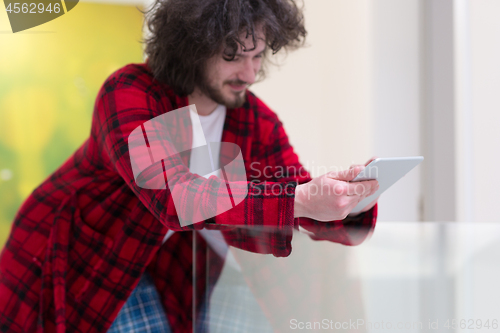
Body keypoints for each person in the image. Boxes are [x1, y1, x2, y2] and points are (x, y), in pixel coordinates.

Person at [0, 0, 379, 332]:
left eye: (258, 55)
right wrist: (302, 200)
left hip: (169, 267)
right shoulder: (131, 92)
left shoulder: (254, 121)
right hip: (79, 260)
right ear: (192, 46)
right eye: (232, 56)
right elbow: (175, 197)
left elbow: (294, 191)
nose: (248, 74)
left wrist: (349, 200)